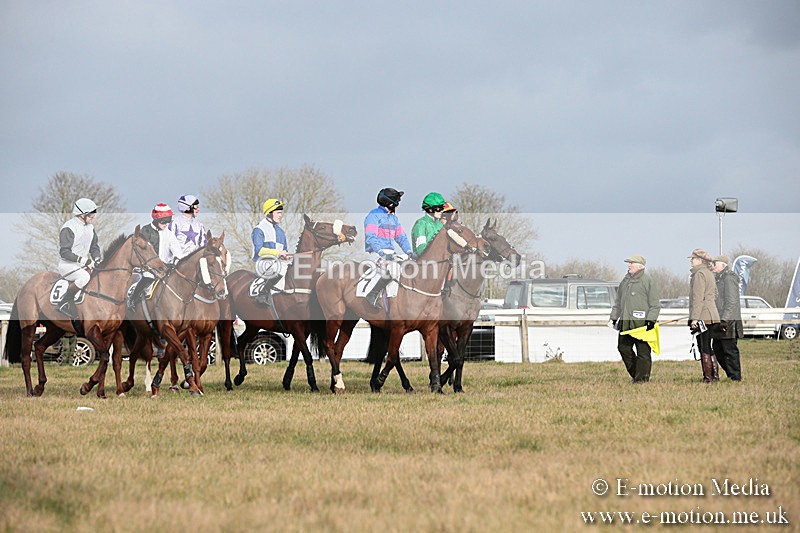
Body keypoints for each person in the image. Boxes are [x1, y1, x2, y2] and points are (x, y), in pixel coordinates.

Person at [610, 255, 660, 383]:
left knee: (643, 353)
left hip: (642, 324)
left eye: (631, 263)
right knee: (623, 348)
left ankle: (642, 379)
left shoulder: (648, 281)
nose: (628, 265)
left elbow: (655, 304)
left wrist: (651, 320)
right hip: (625, 322)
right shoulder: (625, 281)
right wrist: (614, 317)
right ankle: (637, 375)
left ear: (640, 266)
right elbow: (618, 301)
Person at [363, 187, 414, 307]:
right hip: (376, 253)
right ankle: (372, 294)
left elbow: (401, 237)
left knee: (409, 265)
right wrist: (381, 252)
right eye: (397, 202)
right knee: (394, 270)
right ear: (390, 203)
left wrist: (409, 252)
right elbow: (371, 237)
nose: (398, 205)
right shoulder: (373, 216)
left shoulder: (394, 219)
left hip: (391, 253)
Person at [130, 203, 185, 308]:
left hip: (165, 268)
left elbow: (178, 253)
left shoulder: (169, 234)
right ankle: (133, 299)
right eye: (164, 221)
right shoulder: (145, 232)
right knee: (148, 278)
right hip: (149, 268)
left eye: (169, 220)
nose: (166, 224)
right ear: (156, 219)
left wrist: (178, 262)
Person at [56, 198, 102, 318]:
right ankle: (64, 302)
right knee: (84, 277)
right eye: (92, 213)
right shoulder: (69, 228)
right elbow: (64, 252)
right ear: (82, 214)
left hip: (84, 264)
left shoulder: (90, 227)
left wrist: (97, 258)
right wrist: (83, 260)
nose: (94, 216)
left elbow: (94, 246)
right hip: (68, 265)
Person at [688, 248, 721, 383]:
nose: (691, 261)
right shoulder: (709, 273)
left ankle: (708, 378)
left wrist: (694, 318)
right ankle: (715, 376)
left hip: (703, 316)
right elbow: (715, 295)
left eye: (693, 259)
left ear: (700, 260)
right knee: (709, 346)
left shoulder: (699, 274)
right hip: (712, 314)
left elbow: (697, 298)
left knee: (704, 346)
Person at [252, 198, 290, 305]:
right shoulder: (259, 229)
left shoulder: (281, 232)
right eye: (278, 212)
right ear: (269, 213)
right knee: (280, 269)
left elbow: (285, 249)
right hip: (264, 263)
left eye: (281, 213)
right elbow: (259, 251)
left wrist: (286, 255)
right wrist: (278, 253)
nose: (280, 215)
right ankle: (263, 294)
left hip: (278, 262)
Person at [712, 255, 743, 381]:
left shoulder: (729, 278)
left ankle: (735, 377)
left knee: (730, 351)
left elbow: (731, 301)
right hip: (720, 319)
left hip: (729, 321)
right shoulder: (719, 278)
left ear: (723, 265)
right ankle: (732, 375)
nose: (713, 266)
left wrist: (725, 320)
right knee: (718, 350)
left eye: (716, 264)